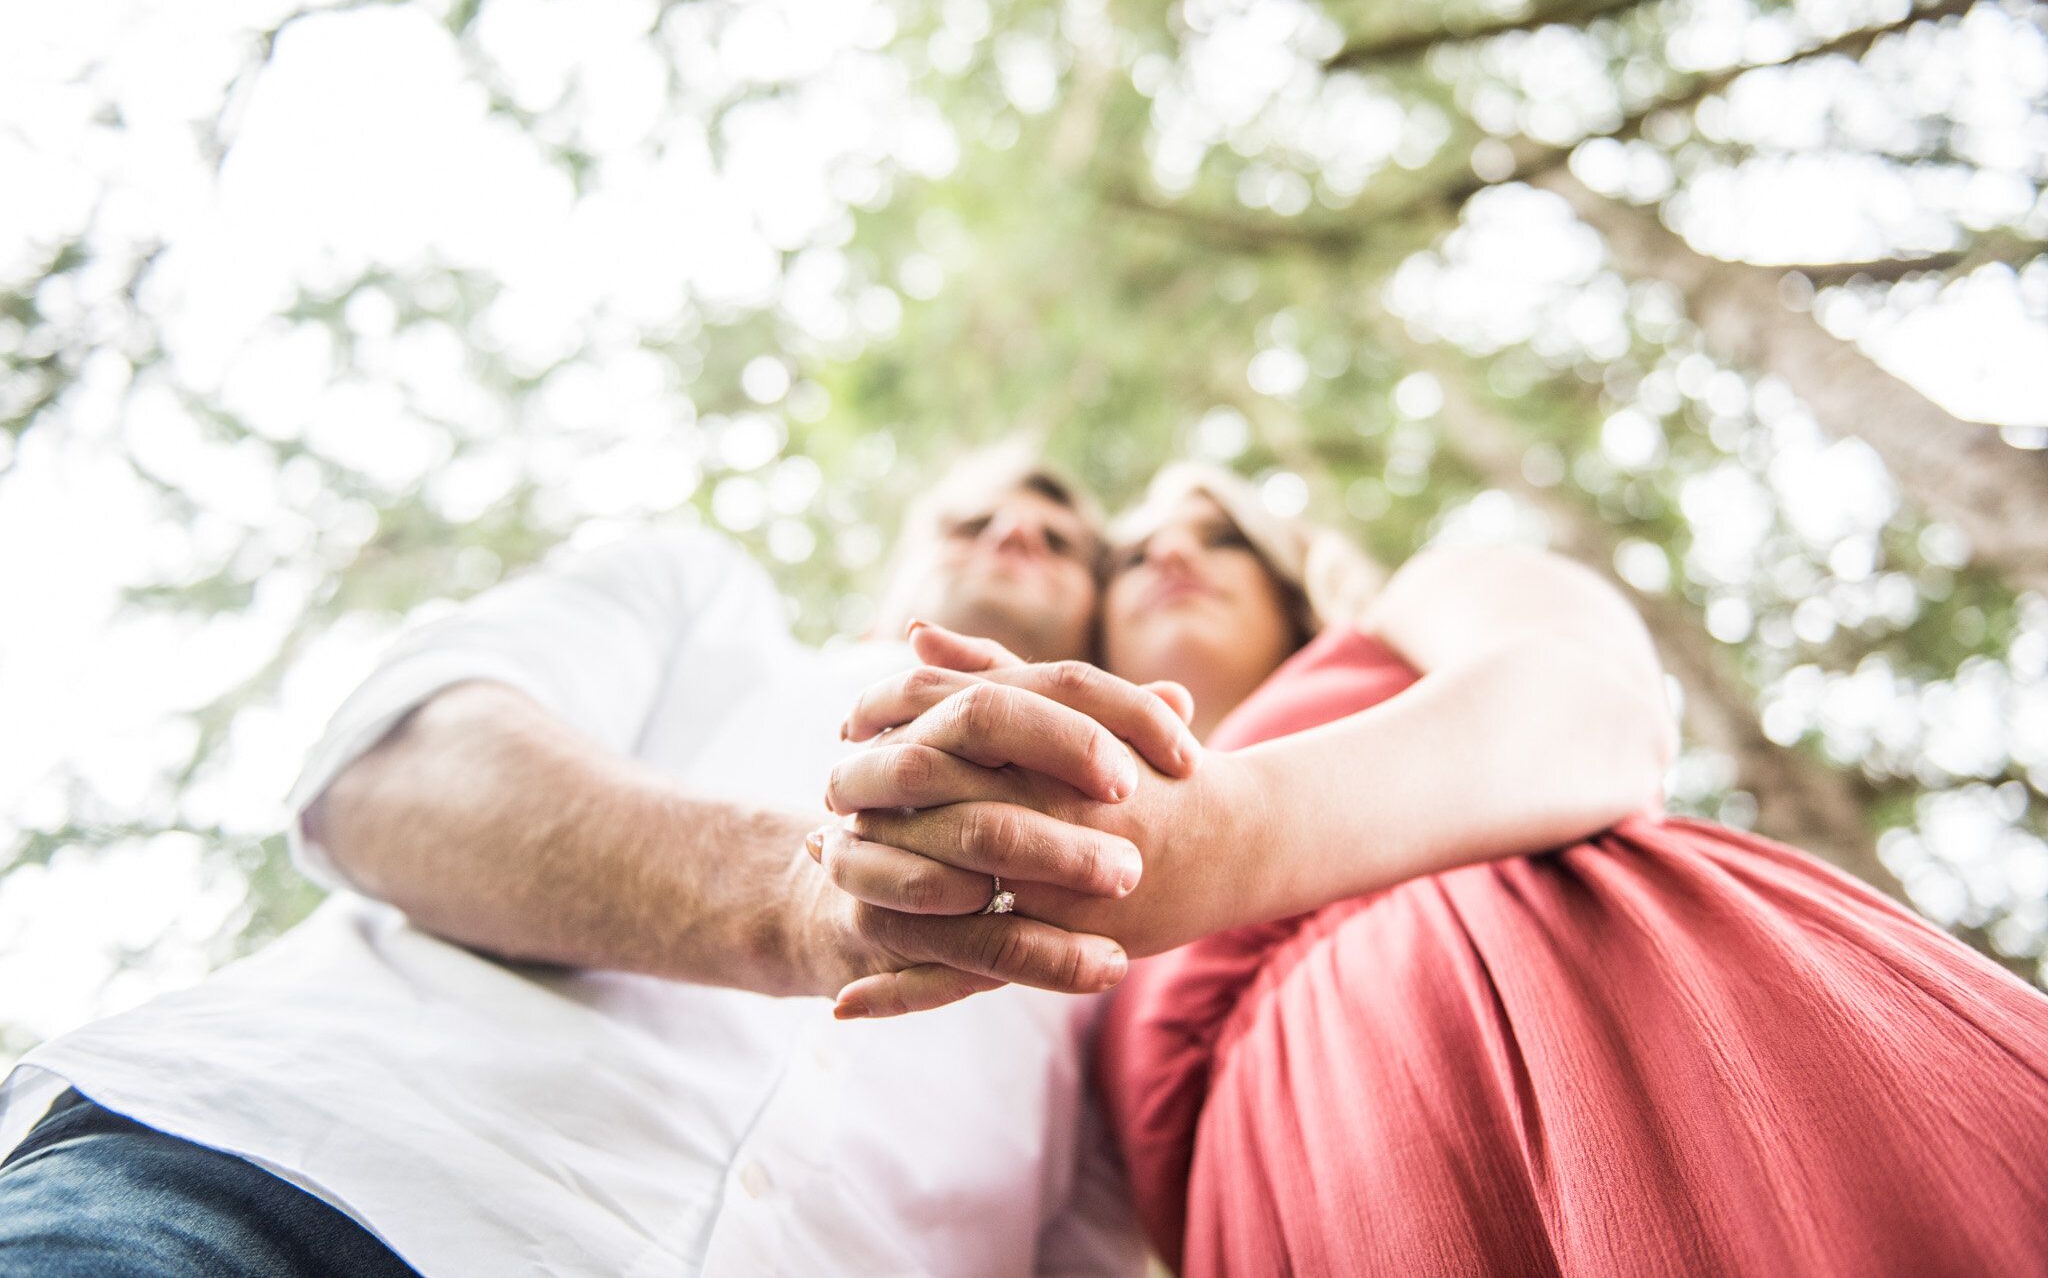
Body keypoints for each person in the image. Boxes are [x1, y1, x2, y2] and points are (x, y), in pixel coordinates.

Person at [817, 462, 2048, 1275]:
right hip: (1308, 1224)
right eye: (1132, 553)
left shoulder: (1411, 614)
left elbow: (1605, 709)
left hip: (1649, 1036)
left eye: (1218, 537)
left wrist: (1220, 836)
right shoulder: (1067, 865)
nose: (1167, 560)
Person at [0, 448, 1192, 1278]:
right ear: (896, 572)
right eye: (968, 517)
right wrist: (795, 894)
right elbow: (401, 774)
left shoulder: (1143, 902)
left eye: (1064, 537)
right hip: (286, 1190)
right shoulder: (702, 607)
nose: (1014, 530)